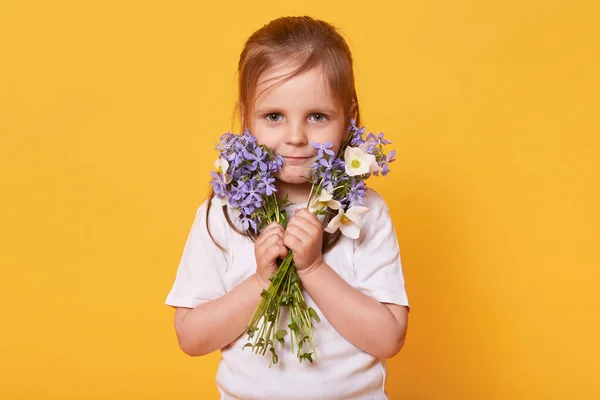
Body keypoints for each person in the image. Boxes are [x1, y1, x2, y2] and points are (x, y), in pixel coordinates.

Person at [165, 16, 410, 400]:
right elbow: (191, 337)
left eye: (317, 116)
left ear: (348, 118)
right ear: (247, 116)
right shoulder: (224, 212)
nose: (296, 137)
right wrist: (262, 280)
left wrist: (313, 268)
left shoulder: (365, 210)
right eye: (274, 116)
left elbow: (389, 337)